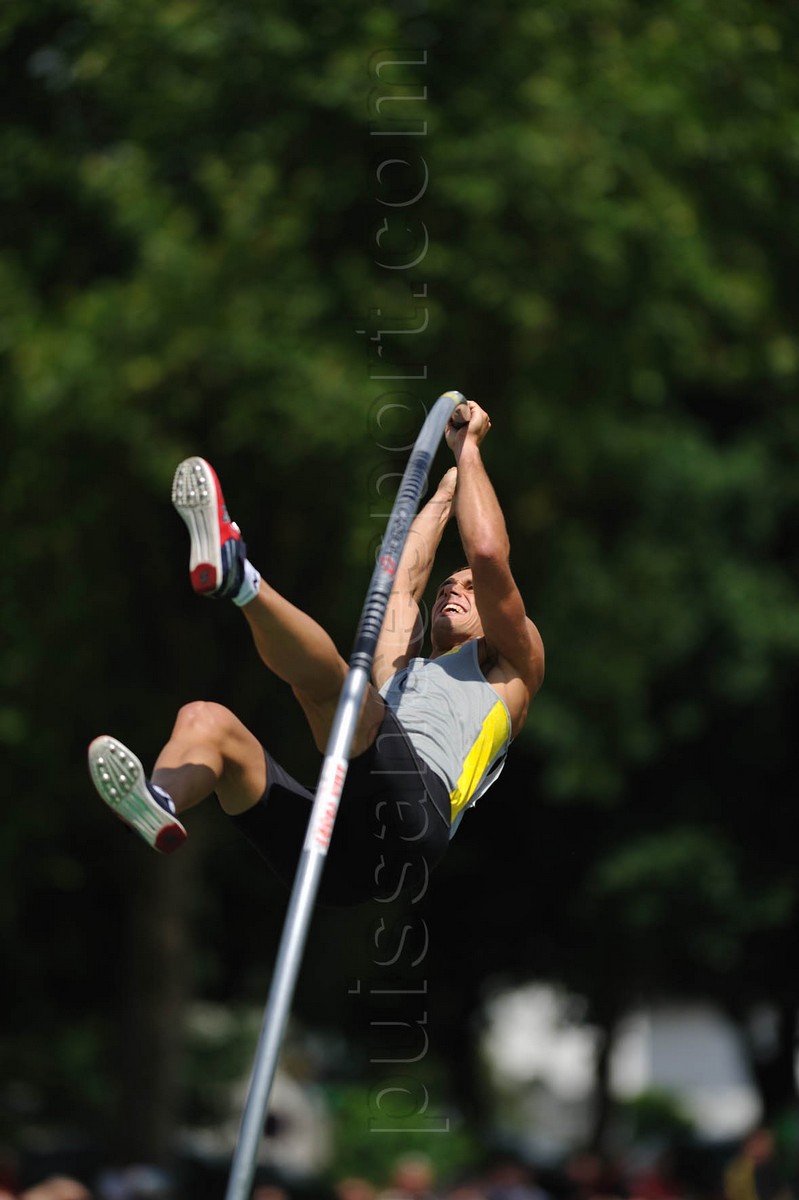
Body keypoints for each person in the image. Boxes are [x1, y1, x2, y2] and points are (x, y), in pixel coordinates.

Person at [87, 399, 544, 905]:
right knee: (206, 723)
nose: (453, 589)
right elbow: (400, 585)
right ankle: (159, 801)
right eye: (446, 586)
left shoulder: (509, 666)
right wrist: (445, 491)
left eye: (470, 589)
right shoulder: (402, 672)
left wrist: (468, 450)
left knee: (342, 693)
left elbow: (486, 554)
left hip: (416, 817)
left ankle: (239, 577)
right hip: (347, 849)